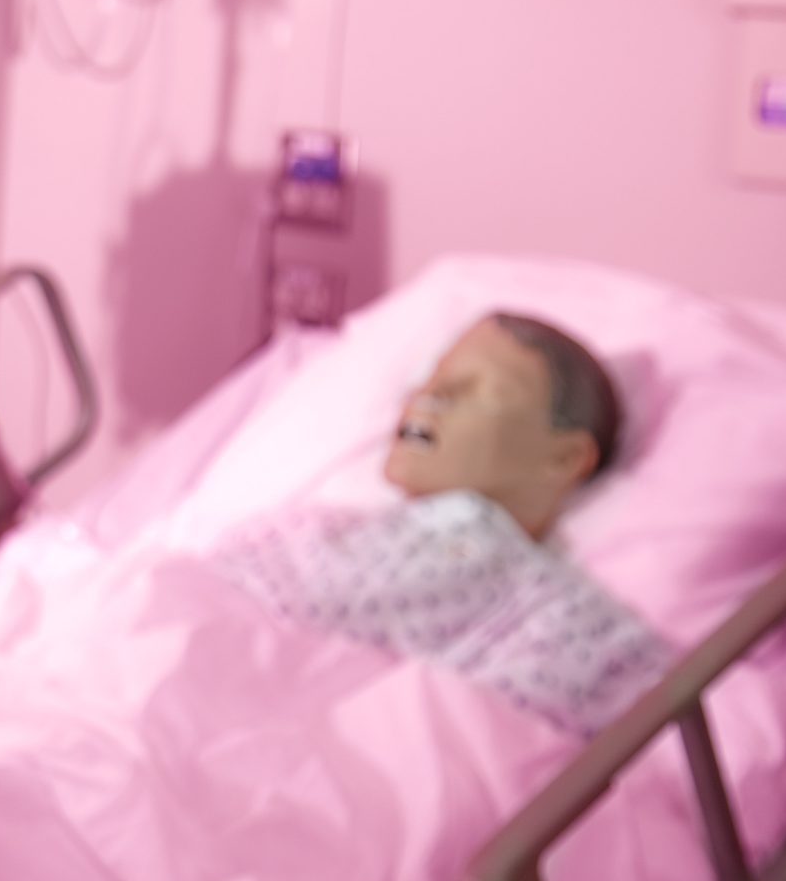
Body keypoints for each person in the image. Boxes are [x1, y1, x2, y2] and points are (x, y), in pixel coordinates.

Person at [214, 312, 663, 732]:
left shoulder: (565, 620)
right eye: (431, 379)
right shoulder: (317, 529)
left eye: (473, 389)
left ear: (563, 457)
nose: (427, 394)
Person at [382, 311, 623, 540]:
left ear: (564, 458)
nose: (431, 392)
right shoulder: (354, 530)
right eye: (434, 375)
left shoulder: (527, 581)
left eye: (483, 389)